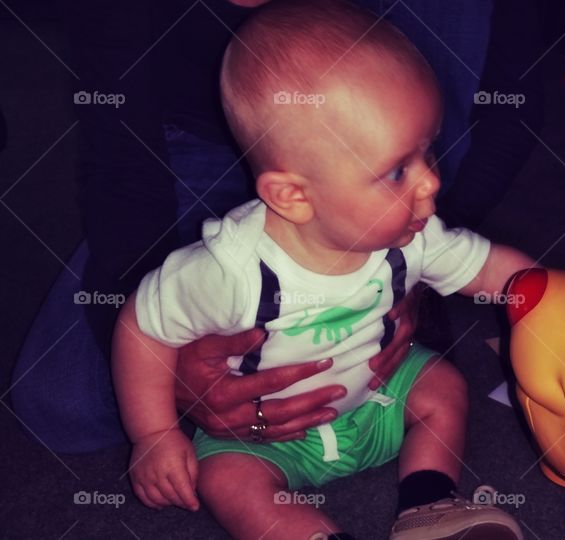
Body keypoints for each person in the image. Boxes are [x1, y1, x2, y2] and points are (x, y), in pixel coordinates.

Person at [112, 2, 535, 539]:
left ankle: (430, 502)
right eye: (398, 170)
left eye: (427, 153)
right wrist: (152, 432)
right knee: (225, 478)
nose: (430, 183)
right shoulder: (232, 270)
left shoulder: (416, 234)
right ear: (292, 196)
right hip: (260, 435)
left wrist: (554, 296)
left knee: (442, 387)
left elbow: (492, 270)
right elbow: (142, 325)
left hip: (374, 402)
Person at [12, 0, 492, 454]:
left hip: (382, 149)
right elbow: (121, 161)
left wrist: (410, 262)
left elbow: (459, 116)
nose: (428, 180)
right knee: (65, 403)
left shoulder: (412, 155)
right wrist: (170, 383)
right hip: (183, 146)